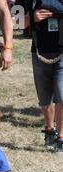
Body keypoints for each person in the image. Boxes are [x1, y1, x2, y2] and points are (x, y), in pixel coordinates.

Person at [28, 1, 63, 152]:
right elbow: (16, 21)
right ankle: (50, 130)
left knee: (61, 94)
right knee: (44, 96)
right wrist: (32, 17)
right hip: (39, 51)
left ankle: (61, 137)